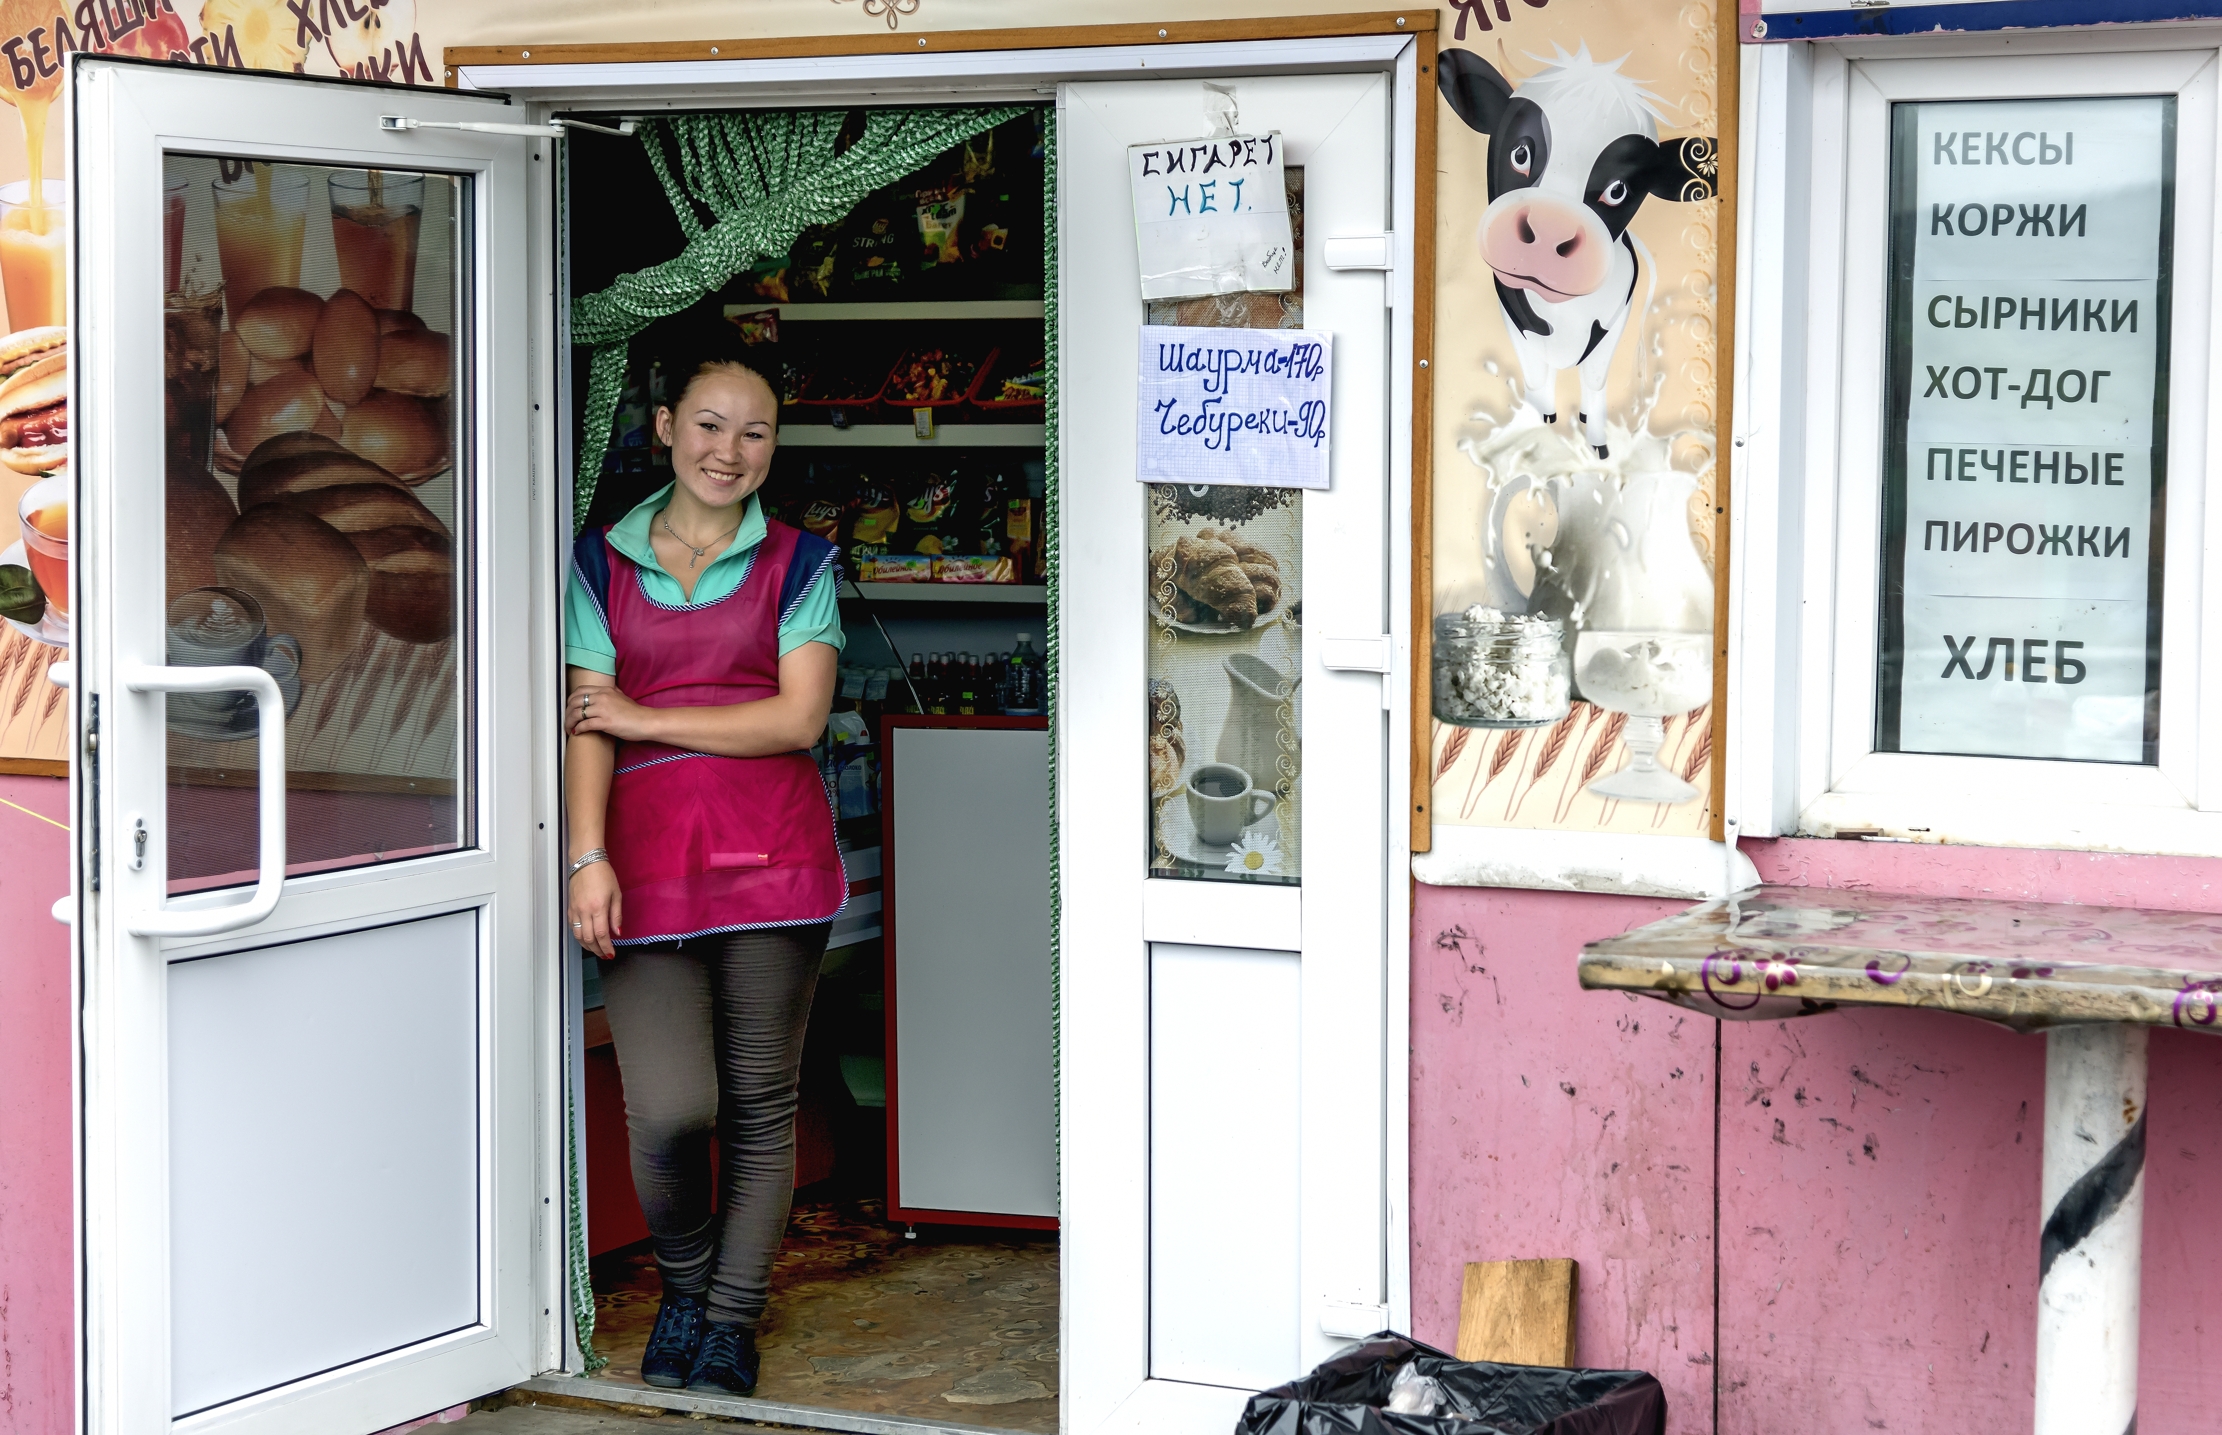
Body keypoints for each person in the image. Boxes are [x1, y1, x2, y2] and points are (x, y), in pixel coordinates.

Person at [564, 329, 844, 1396]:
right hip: (641, 863)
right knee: (672, 1105)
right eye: (710, 425)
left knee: (760, 1103)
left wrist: (644, 712)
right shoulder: (600, 560)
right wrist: (586, 854)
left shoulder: (799, 563)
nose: (729, 450)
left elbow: (800, 717)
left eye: (754, 431)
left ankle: (728, 1321)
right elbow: (584, 722)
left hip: (772, 859)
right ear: (667, 426)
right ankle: (685, 1286)